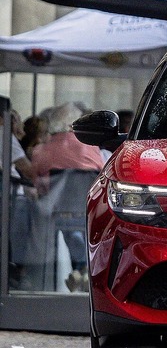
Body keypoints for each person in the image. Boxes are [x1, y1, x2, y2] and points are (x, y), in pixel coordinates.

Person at [30, 102, 105, 292]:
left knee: (61, 223)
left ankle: (70, 270)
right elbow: (100, 176)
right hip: (88, 211)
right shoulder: (91, 149)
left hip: (55, 214)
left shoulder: (41, 151)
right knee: (76, 228)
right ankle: (83, 267)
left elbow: (37, 185)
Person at [1, 109, 36, 290]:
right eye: (15, 120)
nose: (17, 124)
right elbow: (28, 169)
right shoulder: (3, 134)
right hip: (11, 196)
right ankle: (21, 270)